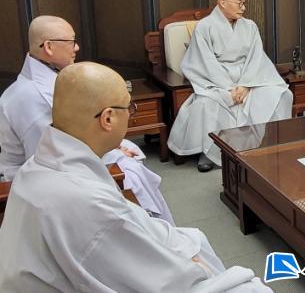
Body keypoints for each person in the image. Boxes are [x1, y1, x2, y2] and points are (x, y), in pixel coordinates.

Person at [0, 62, 271, 292]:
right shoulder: (85, 202)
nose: (131, 115)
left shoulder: (35, 167)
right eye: (129, 109)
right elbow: (163, 283)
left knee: (192, 238)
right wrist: (191, 268)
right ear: (107, 119)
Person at [0, 16, 173, 224]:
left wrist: (114, 147)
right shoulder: (31, 97)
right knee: (131, 173)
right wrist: (111, 153)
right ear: (49, 47)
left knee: (128, 155)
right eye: (71, 42)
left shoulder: (49, 80)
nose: (77, 47)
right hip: (40, 184)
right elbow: (50, 157)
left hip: (64, 165)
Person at [168, 0, 293, 172]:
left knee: (281, 94)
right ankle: (209, 150)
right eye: (239, 3)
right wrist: (229, 88)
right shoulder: (204, 27)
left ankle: (270, 143)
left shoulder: (250, 26)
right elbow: (205, 62)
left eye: (244, 3)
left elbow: (256, 58)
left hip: (248, 78)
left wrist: (246, 85)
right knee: (206, 104)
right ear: (223, 2)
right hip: (216, 81)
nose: (243, 8)